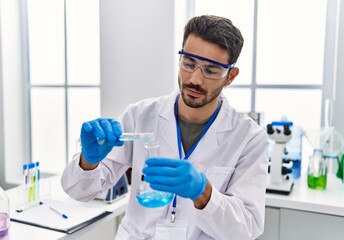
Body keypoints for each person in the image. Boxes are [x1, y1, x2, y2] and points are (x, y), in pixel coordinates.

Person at [61, 15, 269, 240]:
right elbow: (77, 191)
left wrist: (204, 193)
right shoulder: (140, 115)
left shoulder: (249, 138)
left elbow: (246, 229)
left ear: (230, 76)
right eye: (189, 63)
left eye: (211, 70)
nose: (195, 79)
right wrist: (88, 161)